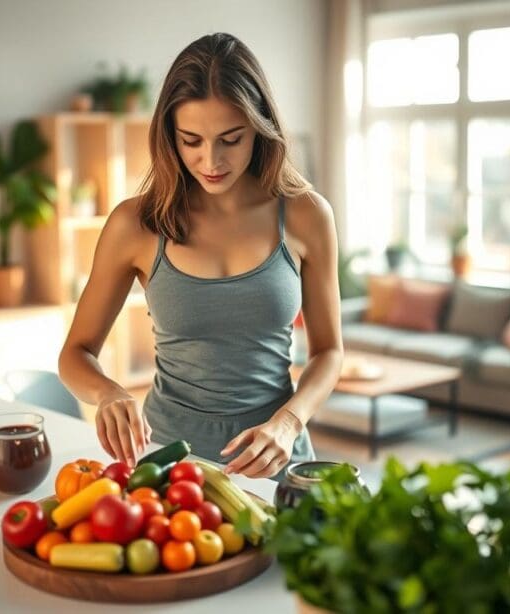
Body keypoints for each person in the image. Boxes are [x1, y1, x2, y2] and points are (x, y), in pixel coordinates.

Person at [59, 32, 342, 480]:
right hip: (170, 464)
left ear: (260, 128)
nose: (211, 160)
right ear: (169, 136)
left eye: (231, 139)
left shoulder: (306, 214)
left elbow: (329, 352)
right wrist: (108, 393)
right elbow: (75, 353)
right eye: (191, 140)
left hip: (276, 459)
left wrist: (290, 422)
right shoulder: (135, 223)